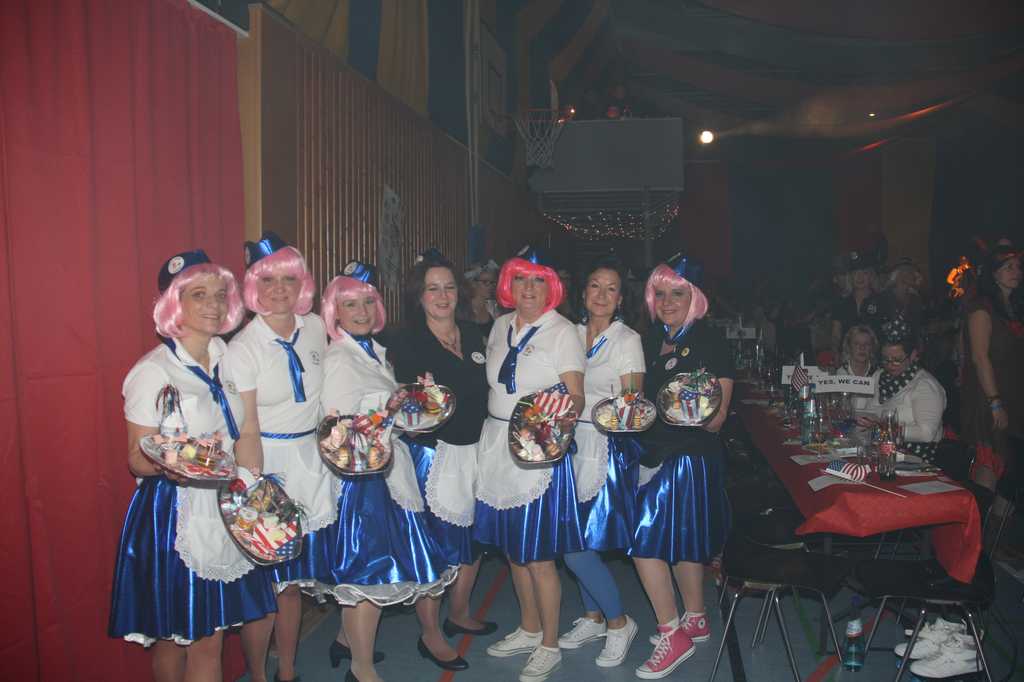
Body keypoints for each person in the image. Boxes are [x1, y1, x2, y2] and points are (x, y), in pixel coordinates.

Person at [109, 250, 277, 682]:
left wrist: (254, 493)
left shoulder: (228, 357)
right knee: (184, 637)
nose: (214, 304)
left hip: (227, 504)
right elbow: (136, 459)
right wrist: (173, 466)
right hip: (175, 512)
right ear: (174, 304)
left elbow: (246, 432)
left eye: (219, 295)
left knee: (204, 636)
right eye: (198, 295)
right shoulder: (152, 371)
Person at [318, 261, 457, 682]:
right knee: (369, 575)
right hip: (362, 479)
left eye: (367, 302)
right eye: (350, 305)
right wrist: (392, 411)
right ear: (334, 312)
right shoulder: (340, 358)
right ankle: (361, 670)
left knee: (381, 568)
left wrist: (415, 405)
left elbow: (383, 412)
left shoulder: (373, 350)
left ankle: (345, 644)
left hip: (388, 471)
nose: (361, 312)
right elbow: (342, 429)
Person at [222, 233, 335, 682]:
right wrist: (255, 492)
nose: (279, 289)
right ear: (253, 286)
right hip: (267, 465)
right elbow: (247, 427)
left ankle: (287, 671)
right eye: (267, 280)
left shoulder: (315, 327)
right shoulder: (242, 348)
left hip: (312, 463)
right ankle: (257, 674)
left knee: (291, 586)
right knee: (265, 590)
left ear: (302, 283)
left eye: (289, 279)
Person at [474, 246, 586, 682]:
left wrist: (549, 422)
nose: (529, 288)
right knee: (513, 552)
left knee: (538, 556)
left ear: (551, 287)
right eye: (521, 278)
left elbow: (576, 396)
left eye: (539, 280)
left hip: (536, 449)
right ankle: (529, 627)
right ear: (509, 284)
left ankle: (550, 644)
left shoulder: (562, 331)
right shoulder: (500, 325)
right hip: (495, 444)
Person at [389, 249, 495, 672]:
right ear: (419, 296)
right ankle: (430, 633)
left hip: (477, 449)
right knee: (435, 546)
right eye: (432, 288)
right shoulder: (406, 342)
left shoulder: (473, 334)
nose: (442, 295)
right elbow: (402, 404)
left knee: (474, 540)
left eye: (449, 287)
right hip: (435, 455)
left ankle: (460, 611)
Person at [630, 254, 733, 680]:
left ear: (696, 297)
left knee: (642, 542)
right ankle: (695, 617)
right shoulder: (653, 339)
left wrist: (683, 408)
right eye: (661, 293)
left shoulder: (710, 341)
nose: (668, 301)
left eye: (678, 292)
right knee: (683, 541)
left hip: (688, 456)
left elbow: (719, 418)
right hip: (657, 452)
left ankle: (672, 634)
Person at [557, 255, 643, 668]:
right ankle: (592, 617)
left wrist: (594, 411)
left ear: (621, 298)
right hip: (567, 446)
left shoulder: (627, 339)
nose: (602, 295)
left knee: (575, 545)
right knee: (574, 539)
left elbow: (631, 405)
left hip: (604, 448)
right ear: (583, 292)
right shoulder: (569, 334)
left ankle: (618, 622)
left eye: (611, 288)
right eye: (595, 285)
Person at [961, 242, 1022, 513]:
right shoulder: (981, 309)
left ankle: (999, 530)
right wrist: (995, 402)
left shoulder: (1014, 308)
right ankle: (978, 531)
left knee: (1010, 465)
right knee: (990, 459)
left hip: (1014, 393)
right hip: (988, 396)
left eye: (1018, 267)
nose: (1016, 272)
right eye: (1008, 267)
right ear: (994, 274)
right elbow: (979, 357)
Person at [856, 316, 946, 465]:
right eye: (886, 359)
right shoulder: (879, 376)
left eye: (897, 360)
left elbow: (927, 434)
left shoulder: (925, 385)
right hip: (882, 452)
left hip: (915, 459)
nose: (890, 364)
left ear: (913, 356)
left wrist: (884, 428)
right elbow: (866, 412)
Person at [831, 249, 884, 357]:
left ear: (871, 276)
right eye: (855, 273)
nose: (860, 277)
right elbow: (836, 334)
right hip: (846, 357)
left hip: (874, 357)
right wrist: (835, 352)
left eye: (864, 273)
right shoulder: (841, 302)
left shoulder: (882, 301)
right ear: (850, 277)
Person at [837, 324, 879, 411]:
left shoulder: (879, 375)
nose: (862, 348)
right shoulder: (838, 373)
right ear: (849, 347)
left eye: (867, 344)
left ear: (872, 347)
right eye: (856, 344)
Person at [462, 260, 500, 339]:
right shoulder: (463, 308)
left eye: (492, 282)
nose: (490, 286)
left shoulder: (493, 307)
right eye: (485, 282)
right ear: (473, 283)